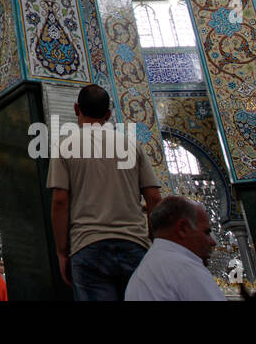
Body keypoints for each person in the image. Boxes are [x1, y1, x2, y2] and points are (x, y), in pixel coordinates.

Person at [48, 84, 161, 301]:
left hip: (88, 245)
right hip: (135, 244)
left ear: (75, 109)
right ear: (108, 115)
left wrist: (62, 252)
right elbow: (154, 198)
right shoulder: (131, 144)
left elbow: (60, 201)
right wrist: (154, 241)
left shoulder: (64, 145)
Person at [125, 195, 226, 301]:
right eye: (206, 232)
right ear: (183, 228)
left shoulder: (140, 274)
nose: (212, 242)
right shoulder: (185, 267)